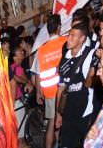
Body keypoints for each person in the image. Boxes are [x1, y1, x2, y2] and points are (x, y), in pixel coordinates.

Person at [55, 22, 96, 148]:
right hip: (68, 113)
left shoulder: (90, 54)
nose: (69, 38)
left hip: (85, 112)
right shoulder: (64, 58)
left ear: (82, 39)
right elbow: (61, 88)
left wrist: (92, 73)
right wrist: (58, 113)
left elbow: (90, 84)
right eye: (69, 35)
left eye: (73, 36)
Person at [31, 13, 66, 148]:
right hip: (64, 90)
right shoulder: (65, 41)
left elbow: (37, 74)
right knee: (66, 120)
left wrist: (39, 93)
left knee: (52, 123)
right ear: (59, 27)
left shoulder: (41, 50)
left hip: (49, 93)